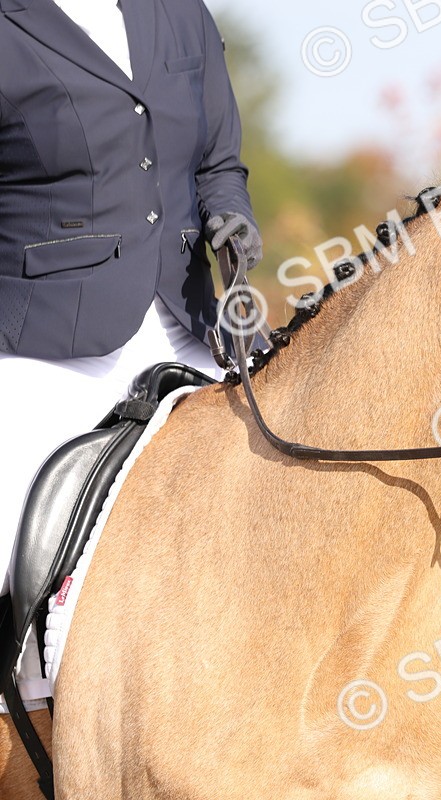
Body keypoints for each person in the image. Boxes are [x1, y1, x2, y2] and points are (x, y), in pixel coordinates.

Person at [0, 0, 263, 605]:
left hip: (191, 323)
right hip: (47, 337)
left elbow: (218, 163)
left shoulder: (180, 13)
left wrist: (232, 213)